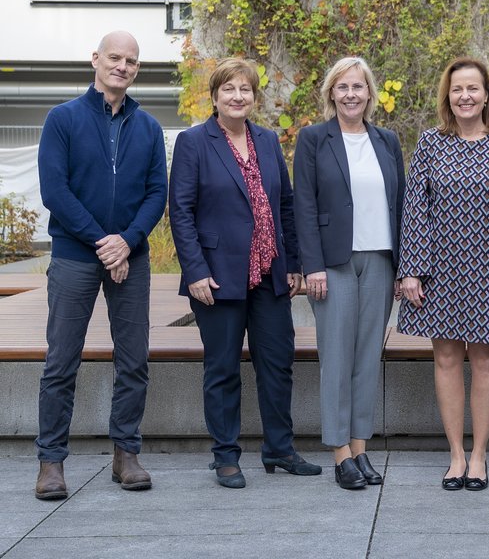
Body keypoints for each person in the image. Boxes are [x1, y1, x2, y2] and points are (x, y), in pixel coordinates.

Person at [169, 57, 321, 488]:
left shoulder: (268, 141)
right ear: (215, 96)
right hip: (216, 278)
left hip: (270, 273)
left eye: (246, 90)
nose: (238, 97)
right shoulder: (194, 142)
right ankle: (225, 456)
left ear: (255, 97)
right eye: (229, 89)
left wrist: (294, 264)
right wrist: (195, 271)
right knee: (222, 368)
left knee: (277, 363)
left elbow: (285, 206)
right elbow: (180, 211)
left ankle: (279, 449)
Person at [35, 31, 167, 500]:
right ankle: (51, 462)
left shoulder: (149, 128)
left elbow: (157, 194)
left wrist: (127, 243)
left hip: (131, 258)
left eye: (131, 61)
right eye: (115, 57)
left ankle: (125, 455)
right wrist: (102, 242)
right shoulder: (63, 119)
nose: (123, 66)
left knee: (134, 360)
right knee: (61, 362)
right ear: (96, 59)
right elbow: (56, 191)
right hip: (74, 257)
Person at [398, 57, 489, 492]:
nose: (465, 96)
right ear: (448, 96)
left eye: (473, 89)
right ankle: (455, 455)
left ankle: (479, 455)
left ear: (486, 95)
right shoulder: (429, 144)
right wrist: (412, 271)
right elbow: (415, 209)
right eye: (457, 89)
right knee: (445, 358)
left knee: (484, 359)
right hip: (439, 269)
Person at [294, 57, 405, 490]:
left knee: (365, 358)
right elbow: (303, 204)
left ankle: (360, 450)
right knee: (336, 359)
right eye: (342, 87)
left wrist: (404, 266)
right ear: (331, 94)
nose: (351, 94)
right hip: (333, 265)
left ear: (369, 93)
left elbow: (400, 203)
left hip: (380, 259)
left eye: (358, 87)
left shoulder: (387, 141)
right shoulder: (313, 139)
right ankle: (339, 453)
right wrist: (312, 266)